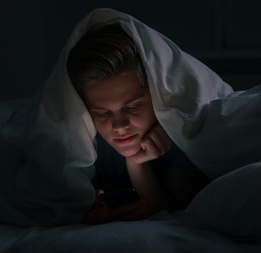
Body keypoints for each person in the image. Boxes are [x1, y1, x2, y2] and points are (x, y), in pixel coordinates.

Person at [66, 24, 210, 224]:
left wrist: (136, 163)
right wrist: (89, 217)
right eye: (103, 113)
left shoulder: (181, 135)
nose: (119, 126)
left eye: (132, 107)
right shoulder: (83, 141)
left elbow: (176, 212)